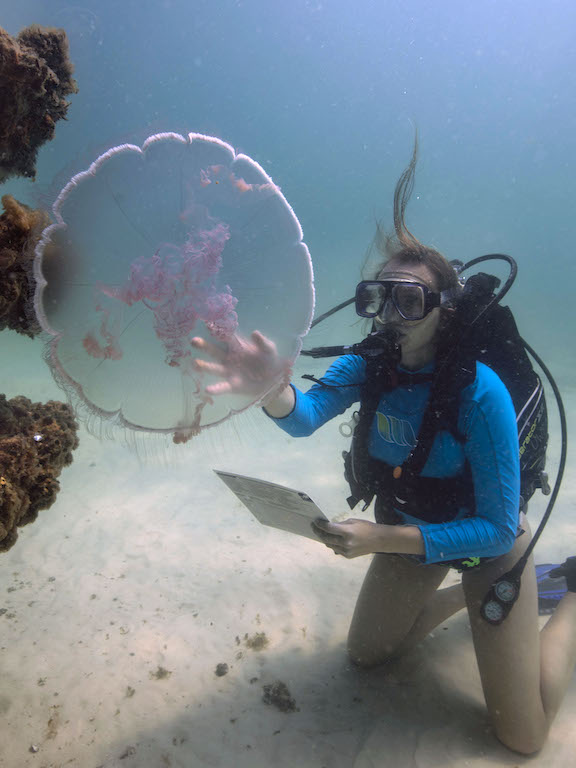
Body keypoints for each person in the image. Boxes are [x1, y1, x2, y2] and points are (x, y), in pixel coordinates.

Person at [191, 142, 576, 755]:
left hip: (487, 551)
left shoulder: (480, 392)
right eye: (380, 297)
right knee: (367, 656)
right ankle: (475, 611)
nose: (391, 316)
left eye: (410, 301)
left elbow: (500, 528)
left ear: (442, 311)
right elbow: (303, 416)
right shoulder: (369, 363)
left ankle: (568, 592)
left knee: (523, 736)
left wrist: (377, 539)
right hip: (406, 536)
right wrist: (269, 388)